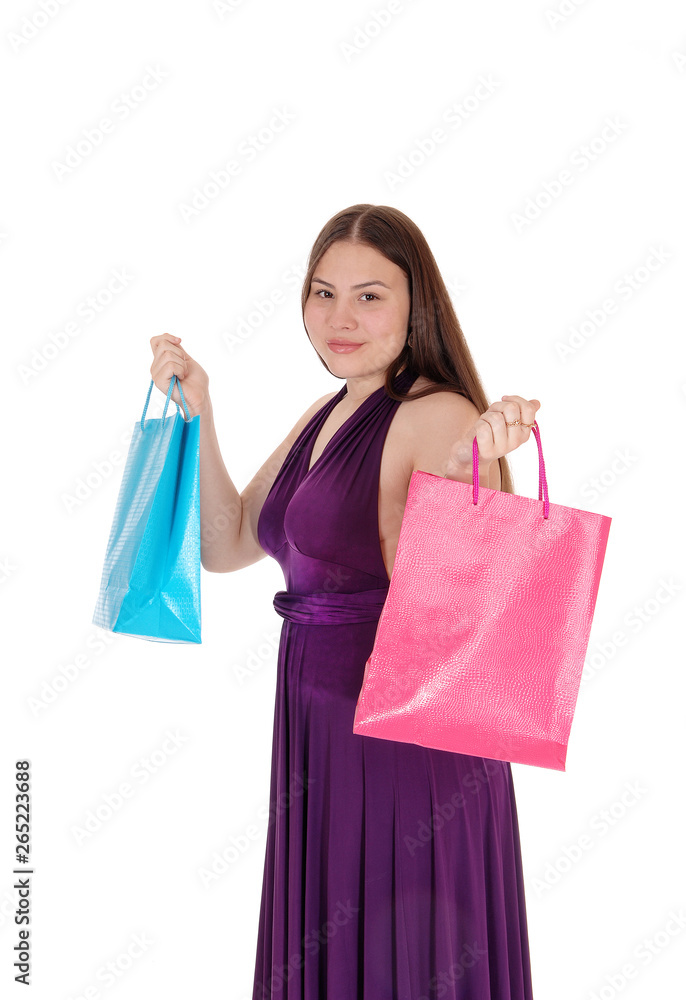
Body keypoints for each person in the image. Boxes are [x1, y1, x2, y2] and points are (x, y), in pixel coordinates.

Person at [149, 204, 540, 999]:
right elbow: (228, 545)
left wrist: (479, 466)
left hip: (403, 750)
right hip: (319, 734)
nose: (339, 317)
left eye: (369, 296)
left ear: (415, 303)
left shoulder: (438, 413)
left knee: (406, 953)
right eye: (322, 293)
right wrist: (201, 410)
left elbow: (441, 604)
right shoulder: (326, 413)